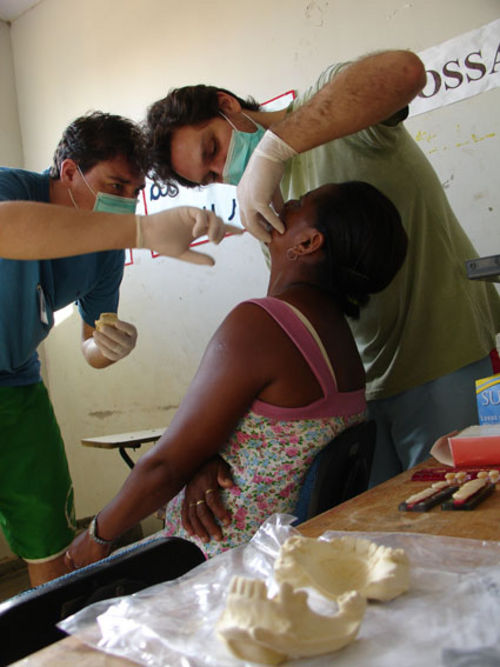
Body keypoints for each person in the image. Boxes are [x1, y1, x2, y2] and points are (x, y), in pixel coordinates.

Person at [144, 48, 500, 527]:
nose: (226, 172)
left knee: (465, 523)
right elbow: (284, 329)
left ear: (228, 106)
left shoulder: (331, 107)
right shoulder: (267, 205)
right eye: (210, 177)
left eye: (214, 150)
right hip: (357, 398)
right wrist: (217, 446)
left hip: (442, 358)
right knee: (386, 536)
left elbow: (404, 72)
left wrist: (274, 148)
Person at [64, 180, 408, 568]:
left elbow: (164, 466)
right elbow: (269, 447)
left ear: (308, 243)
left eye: (297, 204)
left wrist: (95, 539)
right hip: (282, 557)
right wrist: (206, 459)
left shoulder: (261, 324)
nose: (283, 205)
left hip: (217, 566)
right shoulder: (336, 338)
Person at [0, 111, 233, 586]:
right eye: (115, 185)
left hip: (17, 384)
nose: (126, 202)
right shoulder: (11, 189)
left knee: (46, 527)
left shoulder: (105, 253)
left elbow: (91, 342)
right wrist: (143, 231)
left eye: (134, 192)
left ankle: (54, 647)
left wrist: (108, 347)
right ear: (68, 172)